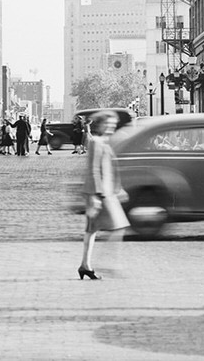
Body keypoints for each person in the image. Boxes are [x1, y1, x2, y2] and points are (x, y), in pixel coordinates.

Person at [78, 110, 129, 280]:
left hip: (105, 192)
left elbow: (109, 169)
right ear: (102, 124)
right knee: (117, 226)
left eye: (114, 123)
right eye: (110, 123)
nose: (113, 126)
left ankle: (86, 265)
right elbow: (93, 169)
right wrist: (94, 196)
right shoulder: (96, 142)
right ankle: (103, 263)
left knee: (92, 230)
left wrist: (118, 188)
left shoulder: (104, 142)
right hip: (99, 193)